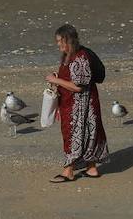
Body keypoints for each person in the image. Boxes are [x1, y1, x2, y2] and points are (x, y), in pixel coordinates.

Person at [45, 23, 108, 182]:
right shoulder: (70, 55)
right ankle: (91, 168)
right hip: (75, 103)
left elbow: (78, 87)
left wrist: (55, 79)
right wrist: (58, 79)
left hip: (79, 105)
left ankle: (68, 171)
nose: (58, 44)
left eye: (61, 41)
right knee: (88, 133)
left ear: (69, 41)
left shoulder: (80, 57)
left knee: (74, 134)